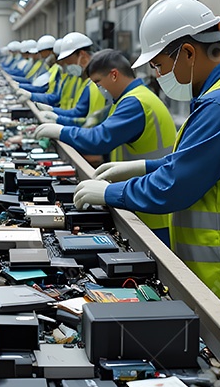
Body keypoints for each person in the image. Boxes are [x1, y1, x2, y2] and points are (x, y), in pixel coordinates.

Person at [73, 0, 220, 362]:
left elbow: (175, 188)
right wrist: (143, 166)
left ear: (188, 53)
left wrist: (111, 193)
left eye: (159, 65)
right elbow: (202, 164)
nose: (159, 76)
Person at [35, 49, 177, 246]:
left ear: (114, 75)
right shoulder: (134, 97)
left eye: (98, 83)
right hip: (140, 197)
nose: (98, 89)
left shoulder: (135, 103)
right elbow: (94, 125)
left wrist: (60, 131)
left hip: (151, 211)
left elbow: (99, 139)